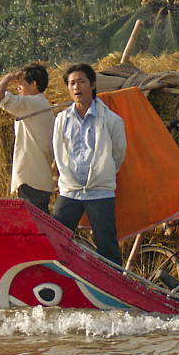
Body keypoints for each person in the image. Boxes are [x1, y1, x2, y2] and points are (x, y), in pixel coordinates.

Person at [51, 62, 128, 264]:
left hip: (100, 190)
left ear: (93, 85)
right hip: (70, 190)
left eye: (81, 82)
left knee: (107, 245)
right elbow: (59, 151)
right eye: (72, 83)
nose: (76, 87)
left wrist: (105, 173)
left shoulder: (111, 119)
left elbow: (118, 152)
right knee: (54, 238)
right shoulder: (62, 119)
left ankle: (113, 291)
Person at [0, 63, 54, 211]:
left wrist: (6, 79)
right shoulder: (40, 104)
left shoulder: (33, 103)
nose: (18, 88)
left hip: (32, 179)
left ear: (33, 84)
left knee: (33, 226)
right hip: (39, 178)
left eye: (21, 84)